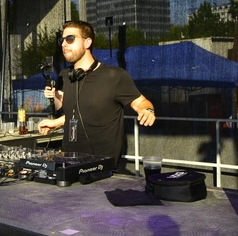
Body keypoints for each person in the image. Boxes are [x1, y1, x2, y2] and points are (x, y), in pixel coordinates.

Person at [37, 20, 156, 169]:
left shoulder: (114, 76)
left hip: (101, 166)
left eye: (70, 38)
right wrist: (55, 121)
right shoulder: (66, 76)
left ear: (87, 42)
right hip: (68, 161)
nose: (64, 44)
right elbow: (78, 113)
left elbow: (141, 102)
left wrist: (147, 110)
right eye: (62, 40)